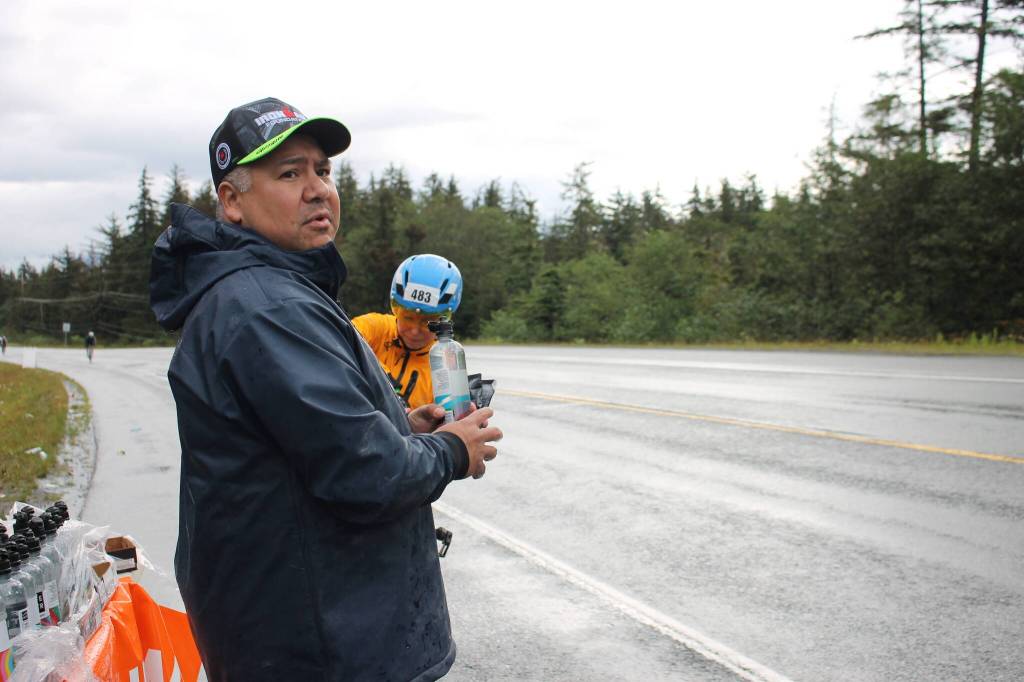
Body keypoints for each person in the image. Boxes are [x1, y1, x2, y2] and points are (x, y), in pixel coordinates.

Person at [149, 97, 501, 681]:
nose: (318, 189)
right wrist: (449, 450)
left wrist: (401, 427)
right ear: (232, 201)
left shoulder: (274, 291)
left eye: (323, 170)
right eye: (290, 173)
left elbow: (310, 443)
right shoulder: (267, 308)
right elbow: (367, 476)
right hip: (320, 644)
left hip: (310, 628)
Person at [352, 254, 462, 409]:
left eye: (427, 321)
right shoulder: (375, 326)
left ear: (444, 319)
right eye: (407, 317)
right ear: (395, 308)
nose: (415, 331)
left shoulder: (445, 365)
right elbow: (338, 340)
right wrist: (383, 377)